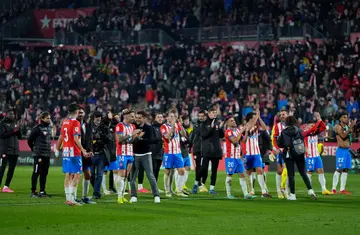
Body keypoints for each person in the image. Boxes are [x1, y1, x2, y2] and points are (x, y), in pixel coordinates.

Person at [56, 103, 91, 206]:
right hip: (74, 152)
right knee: (77, 175)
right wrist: (83, 150)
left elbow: (61, 137)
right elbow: (76, 138)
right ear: (76, 112)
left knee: (68, 175)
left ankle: (68, 199)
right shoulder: (76, 123)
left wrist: (57, 148)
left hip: (66, 152)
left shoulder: (65, 122)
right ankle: (72, 200)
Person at [277, 115, 317, 201]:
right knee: (303, 173)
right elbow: (303, 140)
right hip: (299, 152)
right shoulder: (299, 130)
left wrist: (279, 139)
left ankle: (292, 195)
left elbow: (280, 144)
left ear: (287, 122)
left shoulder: (284, 132)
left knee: (291, 175)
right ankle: (311, 191)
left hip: (289, 154)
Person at [130, 111, 160, 203]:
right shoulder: (132, 126)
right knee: (132, 177)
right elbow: (131, 139)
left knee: (150, 175)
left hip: (146, 154)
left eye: (139, 117)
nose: (137, 119)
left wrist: (139, 138)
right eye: (136, 117)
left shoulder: (148, 128)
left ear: (144, 118)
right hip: (134, 154)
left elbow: (150, 141)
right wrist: (137, 137)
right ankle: (134, 196)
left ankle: (156, 195)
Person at [112, 109, 141, 204]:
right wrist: (131, 134)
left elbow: (131, 141)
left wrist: (137, 137)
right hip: (122, 153)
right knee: (121, 175)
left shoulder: (132, 126)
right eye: (132, 116)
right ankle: (119, 196)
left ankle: (122, 195)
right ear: (126, 116)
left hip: (130, 153)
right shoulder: (119, 125)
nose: (133, 118)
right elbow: (119, 139)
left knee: (126, 175)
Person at [223, 116, 255, 199]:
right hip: (230, 157)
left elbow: (243, 141)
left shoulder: (237, 130)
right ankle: (228, 194)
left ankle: (246, 194)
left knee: (242, 175)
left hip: (237, 157)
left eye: (234, 120)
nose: (234, 122)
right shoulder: (228, 132)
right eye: (231, 121)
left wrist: (246, 132)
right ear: (227, 123)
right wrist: (241, 131)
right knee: (229, 176)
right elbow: (235, 141)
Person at [243, 111, 272, 198]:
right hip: (248, 153)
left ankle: (263, 192)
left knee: (260, 171)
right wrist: (257, 117)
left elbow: (264, 127)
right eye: (254, 117)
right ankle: (251, 190)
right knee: (249, 172)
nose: (255, 119)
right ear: (250, 119)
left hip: (256, 153)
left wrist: (259, 118)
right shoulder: (245, 126)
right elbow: (248, 128)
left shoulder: (256, 127)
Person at [303, 112, 332, 195]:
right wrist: (317, 123)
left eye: (313, 125)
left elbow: (323, 127)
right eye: (311, 125)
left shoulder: (314, 132)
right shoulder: (305, 132)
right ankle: (310, 190)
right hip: (309, 156)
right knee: (309, 172)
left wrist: (319, 119)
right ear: (307, 126)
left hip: (316, 155)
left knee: (321, 171)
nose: (313, 127)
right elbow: (313, 129)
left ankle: (324, 189)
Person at [161, 110, 188, 197]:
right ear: (167, 117)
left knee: (182, 171)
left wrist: (181, 125)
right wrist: (173, 126)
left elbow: (184, 135)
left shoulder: (177, 125)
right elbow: (167, 136)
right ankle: (167, 190)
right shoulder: (163, 127)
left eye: (174, 116)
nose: (172, 118)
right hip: (168, 152)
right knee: (168, 171)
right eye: (171, 116)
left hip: (177, 152)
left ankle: (179, 190)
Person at [27, 112, 52, 197]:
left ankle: (42, 191)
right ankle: (33, 192)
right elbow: (29, 140)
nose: (49, 119)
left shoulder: (49, 128)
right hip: (39, 154)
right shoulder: (37, 128)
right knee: (36, 172)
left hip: (47, 154)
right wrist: (33, 149)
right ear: (42, 119)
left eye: (50, 118)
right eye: (47, 118)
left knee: (44, 173)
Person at [200, 107, 224, 194]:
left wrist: (221, 128)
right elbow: (203, 135)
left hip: (216, 149)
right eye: (213, 112)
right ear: (209, 113)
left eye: (215, 112)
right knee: (204, 168)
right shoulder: (204, 124)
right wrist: (212, 128)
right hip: (207, 150)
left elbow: (221, 136)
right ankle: (200, 183)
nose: (214, 114)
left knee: (214, 170)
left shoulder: (218, 122)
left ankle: (211, 189)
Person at [332, 112, 357, 194]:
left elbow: (351, 137)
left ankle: (342, 189)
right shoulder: (337, 127)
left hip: (347, 150)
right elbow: (342, 136)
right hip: (341, 150)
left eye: (347, 117)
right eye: (344, 117)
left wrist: (353, 129)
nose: (346, 118)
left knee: (346, 169)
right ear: (340, 119)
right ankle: (333, 188)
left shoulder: (347, 126)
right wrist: (351, 127)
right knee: (339, 169)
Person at [90, 111, 111, 199]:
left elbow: (108, 139)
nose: (99, 118)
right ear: (93, 117)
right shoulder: (89, 127)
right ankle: (96, 189)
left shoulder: (104, 127)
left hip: (102, 154)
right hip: (91, 154)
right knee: (91, 175)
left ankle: (96, 192)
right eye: (97, 116)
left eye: (100, 117)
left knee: (99, 175)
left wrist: (99, 141)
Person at [190, 110, 212, 194]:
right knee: (198, 167)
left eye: (202, 116)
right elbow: (193, 136)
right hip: (197, 149)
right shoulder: (196, 125)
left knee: (205, 168)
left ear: (205, 116)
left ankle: (202, 183)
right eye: (199, 116)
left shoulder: (208, 124)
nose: (201, 117)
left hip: (206, 149)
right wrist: (190, 145)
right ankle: (198, 185)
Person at [76, 108, 96, 204]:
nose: (80, 114)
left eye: (82, 112)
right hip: (76, 153)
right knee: (76, 176)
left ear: (84, 113)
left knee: (88, 175)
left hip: (86, 154)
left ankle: (84, 197)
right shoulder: (74, 124)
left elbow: (90, 139)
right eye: (79, 112)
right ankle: (73, 197)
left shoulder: (87, 125)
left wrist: (91, 150)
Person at [0, 106, 21, 193]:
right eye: (10, 114)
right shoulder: (2, 123)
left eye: (13, 113)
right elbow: (2, 135)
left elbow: (19, 136)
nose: (12, 115)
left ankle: (6, 187)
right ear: (6, 114)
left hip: (14, 150)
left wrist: (19, 131)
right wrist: (14, 131)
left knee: (11, 169)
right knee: (2, 168)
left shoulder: (15, 122)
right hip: (5, 150)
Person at [272, 110, 289, 198]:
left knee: (288, 171)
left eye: (284, 114)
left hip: (289, 151)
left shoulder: (291, 125)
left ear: (287, 115)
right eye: (281, 115)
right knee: (279, 171)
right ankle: (279, 191)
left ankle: (286, 190)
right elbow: (274, 139)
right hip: (281, 151)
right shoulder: (277, 126)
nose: (282, 116)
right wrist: (276, 148)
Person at [151, 113, 164, 189]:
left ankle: (155, 187)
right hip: (154, 151)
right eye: (158, 117)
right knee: (153, 170)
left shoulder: (164, 127)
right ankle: (154, 187)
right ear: (155, 119)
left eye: (161, 117)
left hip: (161, 151)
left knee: (157, 170)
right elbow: (151, 139)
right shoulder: (152, 128)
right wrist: (160, 139)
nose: (160, 118)